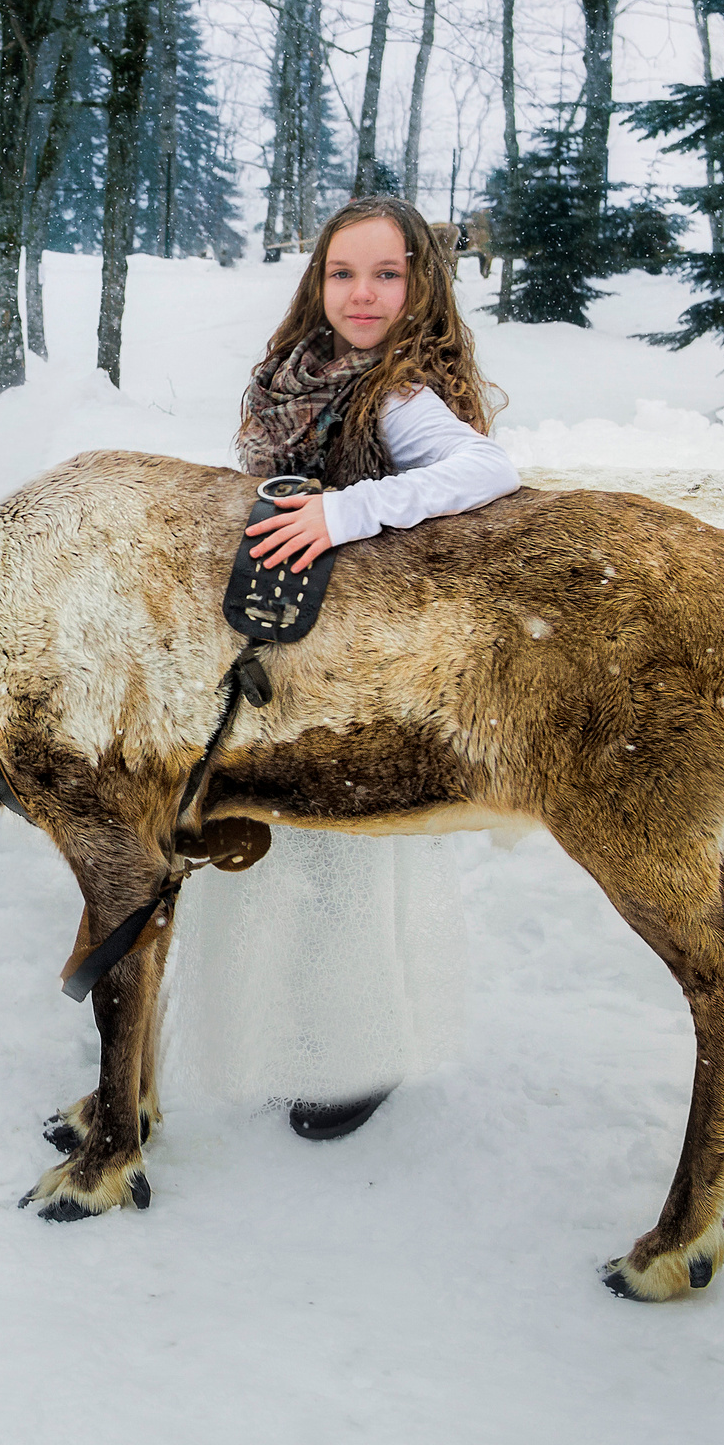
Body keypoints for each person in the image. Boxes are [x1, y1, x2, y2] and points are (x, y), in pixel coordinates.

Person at [170, 196, 518, 1140]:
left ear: (421, 285)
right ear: (316, 280)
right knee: (275, 852)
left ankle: (355, 1051)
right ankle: (283, 1028)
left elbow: (484, 468)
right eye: (343, 273)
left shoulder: (400, 390)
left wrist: (340, 513)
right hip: (289, 640)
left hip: (363, 667)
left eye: (388, 274)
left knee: (342, 864)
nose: (363, 295)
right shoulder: (299, 373)